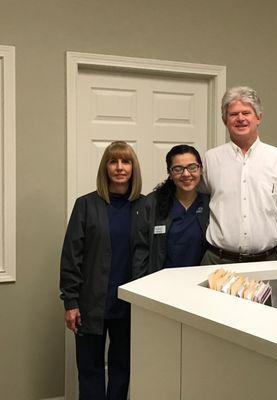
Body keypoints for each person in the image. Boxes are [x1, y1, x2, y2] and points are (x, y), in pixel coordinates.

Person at [59, 141, 143, 400]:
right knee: (90, 369)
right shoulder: (86, 205)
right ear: (105, 167)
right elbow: (71, 256)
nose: (120, 167)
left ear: (133, 168)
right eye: (113, 161)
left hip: (129, 305)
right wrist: (70, 302)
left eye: (125, 161)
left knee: (122, 368)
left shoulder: (146, 206)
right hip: (90, 304)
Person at [201, 86, 277, 264]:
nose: (240, 118)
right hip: (217, 262)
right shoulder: (210, 159)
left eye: (246, 113)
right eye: (233, 114)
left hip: (266, 262)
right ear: (224, 120)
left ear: (258, 118)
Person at [134, 145, 209, 275]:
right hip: (159, 284)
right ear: (170, 173)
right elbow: (141, 251)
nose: (186, 174)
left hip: (199, 283)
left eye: (192, 167)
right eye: (178, 169)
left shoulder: (209, 204)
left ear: (200, 169)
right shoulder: (152, 204)